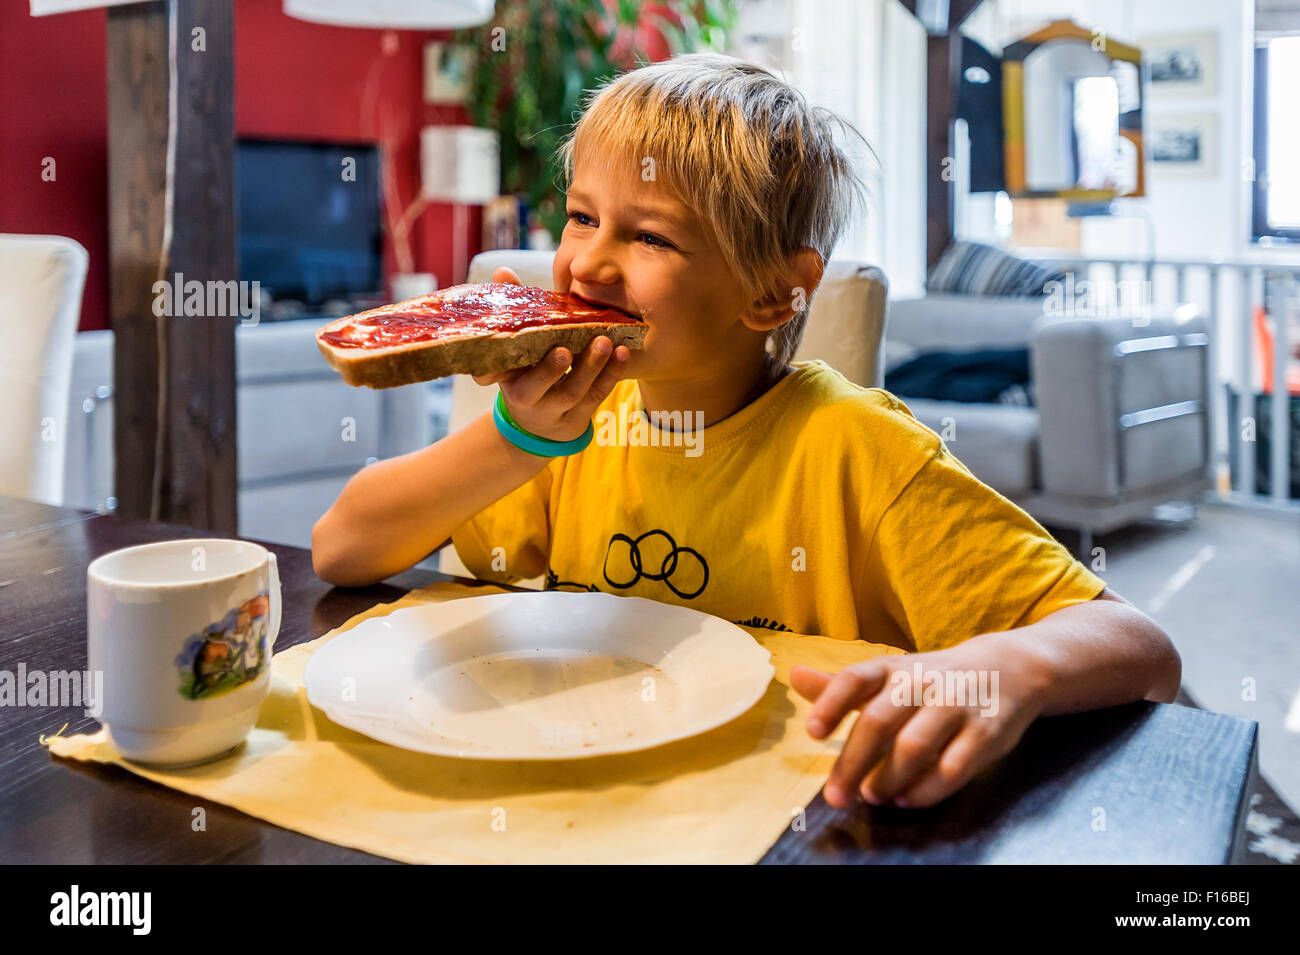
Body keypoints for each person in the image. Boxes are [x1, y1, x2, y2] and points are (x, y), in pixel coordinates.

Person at [313, 53, 1180, 810]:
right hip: (591, 788)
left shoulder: (859, 448)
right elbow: (340, 549)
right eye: (581, 216)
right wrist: (514, 438)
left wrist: (999, 671)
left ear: (774, 291)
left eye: (649, 234)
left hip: (805, 810)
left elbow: (1144, 650)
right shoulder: (577, 424)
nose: (587, 262)